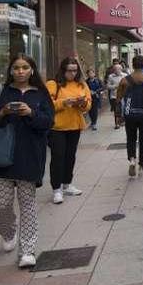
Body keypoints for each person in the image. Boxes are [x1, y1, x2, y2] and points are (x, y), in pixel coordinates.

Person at [0, 54, 53, 268]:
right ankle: (8, 231)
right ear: (11, 70)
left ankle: (27, 250)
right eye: (16, 68)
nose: (20, 71)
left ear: (32, 70)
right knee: (3, 205)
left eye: (25, 67)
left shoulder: (40, 93)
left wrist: (31, 113)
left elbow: (49, 121)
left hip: (29, 156)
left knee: (27, 204)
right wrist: (1, 113)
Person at [46, 57, 92, 204]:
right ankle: (56, 189)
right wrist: (63, 103)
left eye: (75, 70)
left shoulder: (81, 84)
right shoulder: (53, 84)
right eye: (69, 70)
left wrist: (82, 103)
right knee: (58, 157)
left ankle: (67, 184)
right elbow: (47, 105)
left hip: (75, 125)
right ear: (63, 70)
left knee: (70, 156)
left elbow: (88, 104)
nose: (72, 73)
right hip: (57, 127)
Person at [116, 55, 143, 177]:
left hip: (130, 114)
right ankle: (141, 166)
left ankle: (132, 159)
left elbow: (118, 99)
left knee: (130, 138)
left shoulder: (125, 80)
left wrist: (118, 116)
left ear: (132, 64)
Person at [106, 63, 128, 129]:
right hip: (114, 96)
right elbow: (108, 86)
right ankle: (117, 123)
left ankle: (123, 120)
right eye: (115, 69)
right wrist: (115, 86)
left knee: (123, 108)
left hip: (123, 95)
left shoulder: (125, 75)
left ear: (121, 69)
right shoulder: (110, 76)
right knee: (116, 110)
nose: (116, 71)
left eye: (118, 69)